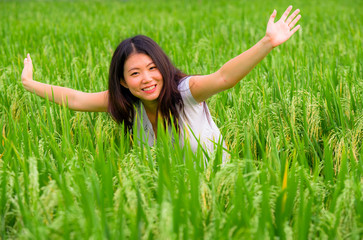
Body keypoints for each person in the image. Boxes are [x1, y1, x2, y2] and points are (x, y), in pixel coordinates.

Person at [21, 6, 301, 157]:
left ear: (163, 68)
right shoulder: (129, 103)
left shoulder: (185, 92)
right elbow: (76, 99)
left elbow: (224, 77)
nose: (147, 79)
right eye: (135, 73)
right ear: (122, 81)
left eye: (153, 68)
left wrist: (267, 43)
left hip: (218, 193)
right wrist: (30, 83)